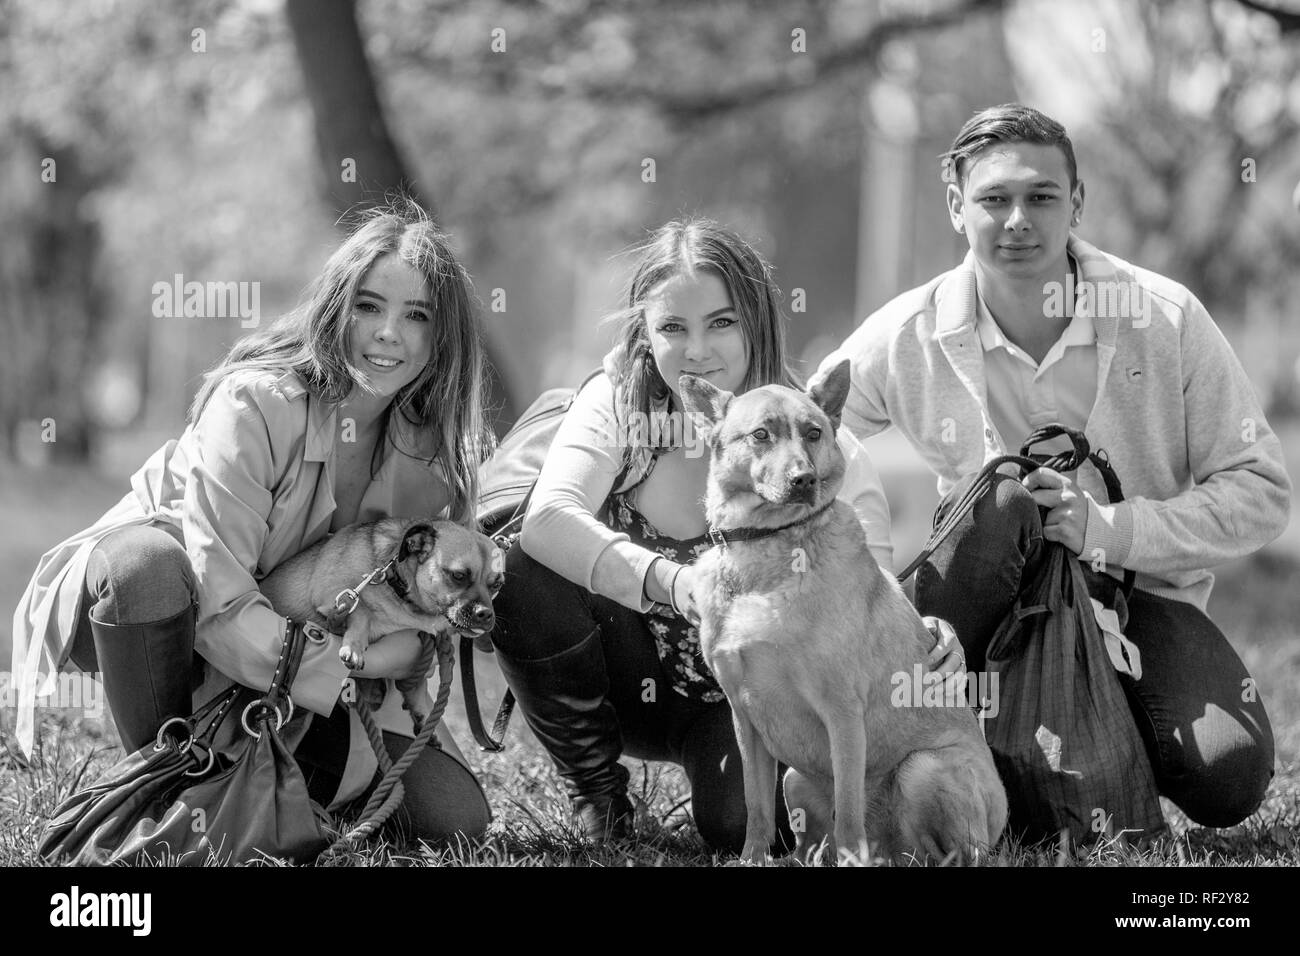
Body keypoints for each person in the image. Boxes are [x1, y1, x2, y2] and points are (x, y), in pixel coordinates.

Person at [817, 104, 1290, 829]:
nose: (1017, 220)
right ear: (956, 206)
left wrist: (1111, 529)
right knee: (1004, 498)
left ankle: (1087, 750)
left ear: (1076, 202)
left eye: (1041, 197)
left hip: (1140, 595)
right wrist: (877, 568)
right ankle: (925, 759)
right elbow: (808, 433)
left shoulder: (1165, 318)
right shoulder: (907, 332)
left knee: (1230, 776)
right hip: (979, 593)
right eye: (993, 199)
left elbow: (1261, 491)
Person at [11, 203, 494, 844]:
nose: (389, 335)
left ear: (443, 336)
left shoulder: (432, 453)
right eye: (369, 306)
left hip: (301, 657)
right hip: (179, 624)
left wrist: (392, 651)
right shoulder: (255, 404)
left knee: (457, 819)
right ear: (335, 307)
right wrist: (354, 664)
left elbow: (424, 617)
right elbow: (219, 605)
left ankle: (263, 781)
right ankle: (168, 777)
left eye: (417, 315)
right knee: (143, 565)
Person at [490, 218, 963, 851]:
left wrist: (931, 630)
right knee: (519, 565)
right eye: (672, 328)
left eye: (721, 322)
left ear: (757, 323)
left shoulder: (816, 444)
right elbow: (548, 516)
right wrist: (672, 582)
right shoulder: (618, 405)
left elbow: (869, 602)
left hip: (750, 704)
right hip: (620, 675)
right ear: (645, 334)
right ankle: (598, 796)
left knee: (738, 828)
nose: (697, 350)